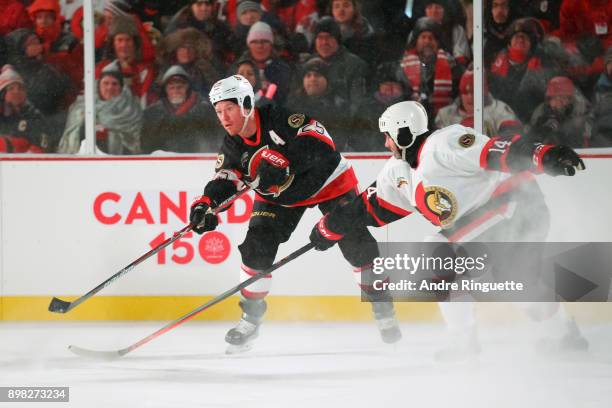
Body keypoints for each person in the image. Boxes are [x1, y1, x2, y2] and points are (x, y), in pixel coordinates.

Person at [308, 100, 589, 360]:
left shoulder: (445, 142)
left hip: (517, 206)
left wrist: (542, 154)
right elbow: (368, 207)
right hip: (488, 223)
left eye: (388, 135)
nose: (385, 142)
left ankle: (463, 341)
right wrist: (330, 226)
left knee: (437, 251)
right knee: (517, 280)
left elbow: (496, 151)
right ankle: (565, 333)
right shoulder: (397, 171)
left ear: (404, 133)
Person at [188, 75, 402, 353]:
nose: (223, 118)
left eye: (228, 108)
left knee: (356, 244)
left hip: (328, 183)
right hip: (282, 198)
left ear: (245, 104)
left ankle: (381, 304)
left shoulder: (280, 118)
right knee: (256, 248)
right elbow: (226, 180)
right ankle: (250, 318)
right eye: (218, 111)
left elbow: (323, 143)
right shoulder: (233, 144)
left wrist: (287, 161)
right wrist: (207, 204)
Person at [57, 62, 143, 155]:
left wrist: (108, 135)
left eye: (114, 84)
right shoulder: (82, 108)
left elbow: (135, 144)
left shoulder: (131, 110)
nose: (110, 87)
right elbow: (72, 137)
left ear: (121, 88)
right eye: (105, 83)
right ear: (98, 86)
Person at [142, 65, 222, 153]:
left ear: (188, 88)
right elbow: (147, 147)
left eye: (180, 87)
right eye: (171, 88)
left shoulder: (205, 111)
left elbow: (214, 143)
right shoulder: (152, 114)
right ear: (165, 90)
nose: (176, 90)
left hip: (197, 162)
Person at [0, 64, 50, 153]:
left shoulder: (34, 116)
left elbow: (41, 148)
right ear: (2, 95)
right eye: (11, 88)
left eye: (20, 88)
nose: (17, 91)